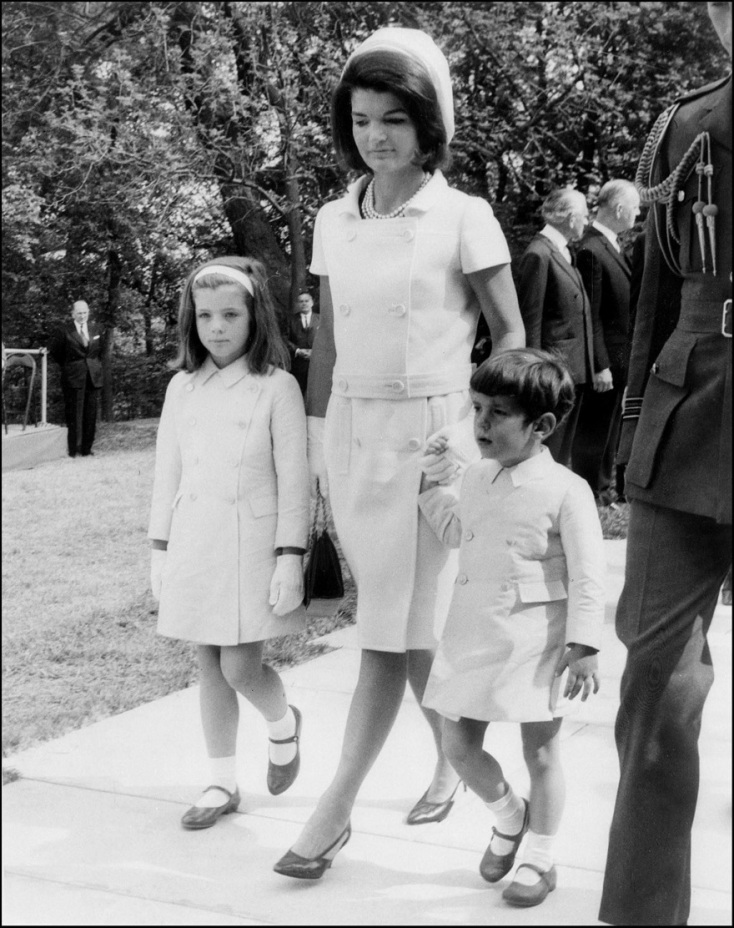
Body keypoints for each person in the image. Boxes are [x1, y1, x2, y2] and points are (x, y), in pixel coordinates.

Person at [273, 26, 525, 880]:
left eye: (394, 120)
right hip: (353, 438)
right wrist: (314, 455)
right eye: (361, 118)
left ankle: (334, 810)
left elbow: (513, 337)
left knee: (387, 637)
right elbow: (332, 346)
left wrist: (478, 443)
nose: (376, 136)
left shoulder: (464, 215)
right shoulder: (331, 219)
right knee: (405, 632)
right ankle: (477, 780)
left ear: (427, 126)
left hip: (434, 444)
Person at [599, 3, 732, 925]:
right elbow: (655, 292)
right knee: (654, 689)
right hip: (687, 421)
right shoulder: (688, 123)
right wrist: (634, 425)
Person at [417, 348, 605, 908]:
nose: (479, 425)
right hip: (472, 632)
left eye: (496, 414)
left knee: (541, 754)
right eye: (475, 409)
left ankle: (541, 858)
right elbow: (456, 532)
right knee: (457, 743)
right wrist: (432, 484)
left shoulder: (568, 489)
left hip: (536, 638)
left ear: (542, 426)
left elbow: (590, 574)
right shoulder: (475, 477)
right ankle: (508, 817)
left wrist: (585, 643)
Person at [148, 255, 310, 830]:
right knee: (208, 664)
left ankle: (282, 721)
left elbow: (295, 479)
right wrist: (159, 547)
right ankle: (221, 779)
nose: (216, 327)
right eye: (205, 315)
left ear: (254, 317)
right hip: (197, 537)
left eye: (230, 315)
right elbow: (167, 470)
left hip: (254, 541)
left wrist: (291, 555)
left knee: (242, 667)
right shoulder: (182, 387)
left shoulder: (277, 386)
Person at [572, 180, 641, 505]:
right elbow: (592, 314)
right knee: (596, 428)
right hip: (606, 361)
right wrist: (600, 365)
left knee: (610, 426)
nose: (638, 212)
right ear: (618, 209)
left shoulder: (608, 245)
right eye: (636, 207)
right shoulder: (590, 249)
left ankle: (602, 490)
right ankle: (590, 491)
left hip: (619, 357)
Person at [516, 188, 594, 468]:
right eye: (584, 216)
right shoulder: (539, 254)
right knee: (549, 444)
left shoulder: (561, 250)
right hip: (552, 367)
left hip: (571, 366)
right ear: (570, 217)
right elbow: (530, 318)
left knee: (561, 446)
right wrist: (535, 373)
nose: (587, 222)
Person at [49, 300, 104, 457]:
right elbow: (56, 352)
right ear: (72, 313)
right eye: (79, 313)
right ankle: (73, 449)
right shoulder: (63, 330)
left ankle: (87, 449)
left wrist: (93, 367)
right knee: (74, 415)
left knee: (91, 414)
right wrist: (70, 367)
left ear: (88, 312)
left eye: (85, 312)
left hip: (93, 377)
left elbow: (99, 351)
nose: (82, 316)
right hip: (73, 377)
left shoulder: (96, 329)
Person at [286, 291, 320, 396]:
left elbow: (326, 339)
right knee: (297, 394)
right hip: (297, 364)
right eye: (301, 301)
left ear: (312, 303)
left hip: (316, 363)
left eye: (306, 301)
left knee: (315, 394)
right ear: (298, 304)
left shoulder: (321, 319)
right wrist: (298, 350)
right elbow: (284, 338)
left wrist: (315, 352)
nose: (304, 303)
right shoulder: (290, 320)